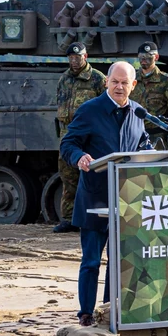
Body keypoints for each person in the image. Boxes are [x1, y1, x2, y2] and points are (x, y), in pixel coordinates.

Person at [59, 61, 153, 327]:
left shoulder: (138, 113)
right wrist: (79, 157)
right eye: (115, 82)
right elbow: (68, 144)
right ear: (106, 82)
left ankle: (111, 312)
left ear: (133, 86)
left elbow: (143, 143)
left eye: (125, 83)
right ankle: (86, 315)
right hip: (94, 198)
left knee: (118, 260)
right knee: (91, 261)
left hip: (127, 199)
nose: (120, 87)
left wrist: (150, 154)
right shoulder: (90, 110)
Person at [53, 42, 106, 233]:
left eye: (78, 57)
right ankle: (68, 219)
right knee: (68, 177)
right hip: (68, 133)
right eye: (71, 58)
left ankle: (91, 217)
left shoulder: (97, 79)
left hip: (89, 135)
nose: (74, 61)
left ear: (86, 56)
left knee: (92, 177)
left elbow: (105, 106)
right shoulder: (64, 79)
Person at [129, 41, 168, 149]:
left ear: (156, 57)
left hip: (157, 136)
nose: (144, 60)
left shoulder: (166, 81)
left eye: (148, 57)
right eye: (141, 57)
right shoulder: (132, 79)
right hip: (134, 134)